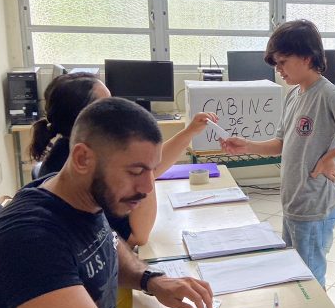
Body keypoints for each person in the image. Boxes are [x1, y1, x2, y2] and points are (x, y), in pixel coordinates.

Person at [0, 98, 297, 308]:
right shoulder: (27, 240)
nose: (146, 188)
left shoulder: (84, 196)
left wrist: (150, 279)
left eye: (151, 171)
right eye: (135, 172)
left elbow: (108, 244)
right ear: (83, 158)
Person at [220, 20, 335, 287]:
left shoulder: (329, 95)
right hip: (295, 201)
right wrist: (247, 145)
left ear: (307, 58)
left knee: (309, 278)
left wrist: (329, 157)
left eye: (283, 62)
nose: (279, 70)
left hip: (315, 204)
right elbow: (283, 143)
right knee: (293, 270)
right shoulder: (295, 94)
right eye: (276, 64)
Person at [29, 71, 218, 246]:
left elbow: (151, 167)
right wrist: (145, 169)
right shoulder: (82, 170)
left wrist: (190, 132)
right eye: (108, 106)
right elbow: (137, 237)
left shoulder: (68, 148)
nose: (117, 111)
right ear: (85, 116)